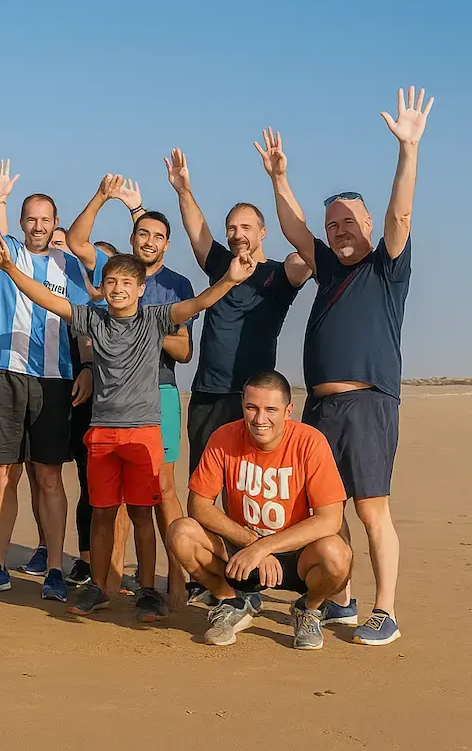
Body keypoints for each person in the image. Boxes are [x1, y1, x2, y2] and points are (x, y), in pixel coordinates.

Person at [0, 235, 257, 622]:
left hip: (143, 434)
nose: (118, 289)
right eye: (111, 282)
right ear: (103, 286)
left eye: (127, 283)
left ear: (140, 289)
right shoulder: (93, 318)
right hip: (102, 433)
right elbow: (47, 299)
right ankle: (99, 587)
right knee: (101, 513)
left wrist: (230, 280)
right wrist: (11, 269)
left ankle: (147, 590)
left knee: (141, 515)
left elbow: (197, 303)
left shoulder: (154, 319)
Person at [254, 85, 433, 645]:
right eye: (332, 226)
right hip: (320, 409)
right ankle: (343, 600)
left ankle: (386, 611)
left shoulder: (387, 266)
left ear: (369, 225)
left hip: (368, 403)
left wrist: (408, 149)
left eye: (349, 222)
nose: (339, 231)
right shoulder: (328, 268)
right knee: (328, 508)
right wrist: (279, 178)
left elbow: (401, 211)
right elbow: (293, 228)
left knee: (371, 508)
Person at [0, 110, 104, 603]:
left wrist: (87, 367)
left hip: (55, 381)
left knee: (49, 476)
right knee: (4, 475)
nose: (38, 227)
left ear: (56, 223)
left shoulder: (71, 266)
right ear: (20, 222)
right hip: (4, 375)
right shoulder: (4, 251)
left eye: (45, 220)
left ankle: (55, 567)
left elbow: (84, 323)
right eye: (31, 219)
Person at [65, 176, 196, 607]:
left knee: (161, 492)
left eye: (158, 236)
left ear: (167, 245)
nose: (149, 241)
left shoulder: (176, 286)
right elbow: (76, 241)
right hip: (111, 399)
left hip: (160, 391)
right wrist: (103, 196)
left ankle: (171, 581)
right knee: (111, 502)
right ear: (132, 237)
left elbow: (184, 349)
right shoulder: (114, 269)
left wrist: (143, 329)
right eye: (142, 233)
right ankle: (111, 581)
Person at [167, 371, 351, 649]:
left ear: (288, 411)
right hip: (240, 554)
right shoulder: (224, 437)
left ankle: (308, 609)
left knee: (338, 555)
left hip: (295, 555)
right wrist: (252, 545)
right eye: (252, 408)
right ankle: (230, 601)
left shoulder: (310, 442)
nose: (259, 419)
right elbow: (199, 505)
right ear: (242, 404)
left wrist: (265, 547)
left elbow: (330, 519)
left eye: (271, 410)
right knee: (181, 532)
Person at [164, 147, 310, 474]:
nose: (237, 234)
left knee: (245, 484)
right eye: (231, 228)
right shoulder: (220, 265)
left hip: (254, 400)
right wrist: (183, 191)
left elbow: (307, 252)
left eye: (246, 227)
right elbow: (197, 230)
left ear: (263, 233)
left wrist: (279, 179)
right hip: (208, 394)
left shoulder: (280, 273)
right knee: (203, 481)